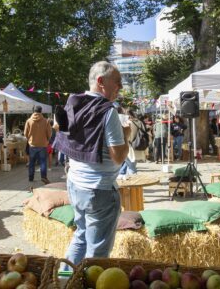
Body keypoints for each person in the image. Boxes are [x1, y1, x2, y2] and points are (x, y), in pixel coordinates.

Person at [54, 61, 130, 266]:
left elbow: (57, 126)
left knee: (80, 237)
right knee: (98, 253)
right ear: (101, 82)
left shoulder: (73, 103)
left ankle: (63, 280)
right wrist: (127, 135)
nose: (120, 87)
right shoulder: (108, 111)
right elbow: (118, 157)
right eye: (118, 81)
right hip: (99, 191)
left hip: (75, 184)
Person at [24, 106, 52, 184]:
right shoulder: (46, 121)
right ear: (41, 111)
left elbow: (25, 133)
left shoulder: (29, 121)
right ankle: (43, 177)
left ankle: (31, 177)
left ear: (33, 111)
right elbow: (49, 133)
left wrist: (30, 140)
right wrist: (46, 140)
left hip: (32, 145)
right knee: (43, 162)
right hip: (43, 145)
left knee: (31, 162)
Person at [119, 109, 146, 178]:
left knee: (131, 167)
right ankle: (130, 183)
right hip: (139, 147)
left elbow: (127, 137)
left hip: (130, 147)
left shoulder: (127, 123)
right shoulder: (140, 122)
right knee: (131, 165)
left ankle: (133, 185)